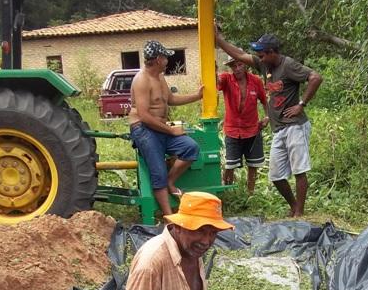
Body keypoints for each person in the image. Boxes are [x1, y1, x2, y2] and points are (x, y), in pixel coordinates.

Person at [215, 29, 322, 217]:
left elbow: (315, 77)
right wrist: (218, 39)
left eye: (262, 55)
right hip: (279, 128)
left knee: (299, 170)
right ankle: (294, 205)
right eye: (258, 55)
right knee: (276, 175)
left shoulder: (288, 65)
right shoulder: (264, 65)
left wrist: (301, 104)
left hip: (295, 125)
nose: (260, 58)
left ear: (273, 52)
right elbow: (238, 54)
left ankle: (299, 212)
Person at [128, 40, 204, 217]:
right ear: (157, 59)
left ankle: (171, 182)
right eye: (165, 57)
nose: (168, 61)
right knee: (158, 171)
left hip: (160, 127)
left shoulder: (160, 77)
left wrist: (197, 96)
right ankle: (168, 216)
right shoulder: (141, 80)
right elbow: (144, 116)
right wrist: (171, 131)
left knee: (190, 148)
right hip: (143, 128)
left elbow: (170, 99)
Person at [217, 56, 269, 194]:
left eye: (240, 64)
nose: (237, 68)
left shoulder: (255, 81)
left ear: (245, 65)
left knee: (254, 164)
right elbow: (216, 82)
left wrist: (267, 117)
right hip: (232, 129)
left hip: (252, 128)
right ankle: (228, 193)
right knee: (230, 165)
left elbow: (265, 100)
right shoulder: (226, 79)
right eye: (234, 66)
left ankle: (250, 194)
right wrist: (213, 70)